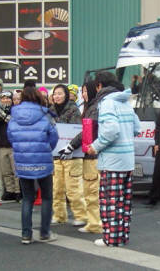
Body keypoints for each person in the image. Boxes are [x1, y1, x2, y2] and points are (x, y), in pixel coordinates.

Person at [86, 71, 140, 247]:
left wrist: (95, 146)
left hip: (112, 161)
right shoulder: (125, 102)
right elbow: (136, 128)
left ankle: (110, 238)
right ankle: (122, 237)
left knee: (110, 202)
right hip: (127, 159)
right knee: (123, 203)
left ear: (100, 85)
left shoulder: (107, 103)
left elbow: (111, 131)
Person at [7, 87, 59, 244]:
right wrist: (46, 148)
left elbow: (10, 137)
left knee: (27, 198)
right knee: (47, 197)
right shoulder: (45, 115)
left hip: (23, 162)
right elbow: (54, 137)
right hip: (43, 161)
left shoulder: (14, 116)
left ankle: (26, 234)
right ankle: (44, 233)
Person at [61, 80, 101, 233]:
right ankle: (93, 222)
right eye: (82, 91)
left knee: (92, 191)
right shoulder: (89, 107)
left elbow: (87, 131)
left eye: (86, 91)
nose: (83, 94)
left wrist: (71, 145)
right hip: (88, 154)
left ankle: (95, 224)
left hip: (92, 154)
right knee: (89, 191)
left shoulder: (94, 108)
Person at [48, 84, 86, 226]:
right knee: (57, 188)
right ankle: (59, 215)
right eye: (55, 94)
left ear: (66, 94)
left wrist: (70, 147)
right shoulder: (50, 111)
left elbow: (78, 131)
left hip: (72, 155)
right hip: (56, 155)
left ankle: (81, 215)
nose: (56, 96)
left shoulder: (73, 109)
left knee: (73, 188)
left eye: (59, 93)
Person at [0, 90, 20, 201]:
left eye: (8, 98)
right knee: (5, 171)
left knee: (16, 171)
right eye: (3, 98)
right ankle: (10, 190)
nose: (5, 100)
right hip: (2, 144)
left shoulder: (16, 110)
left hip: (14, 145)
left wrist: (5, 116)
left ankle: (18, 191)